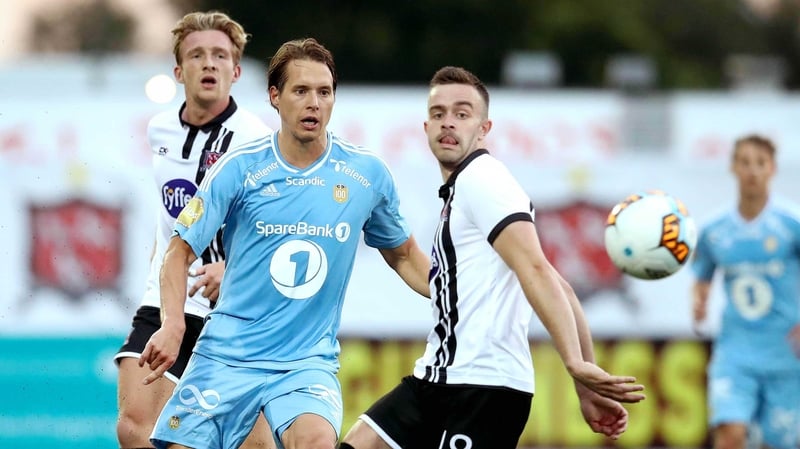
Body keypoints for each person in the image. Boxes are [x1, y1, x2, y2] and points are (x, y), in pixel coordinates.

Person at [139, 37, 432, 449]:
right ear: (275, 97)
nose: (314, 102)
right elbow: (178, 251)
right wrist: (173, 324)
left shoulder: (365, 175)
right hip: (226, 356)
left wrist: (450, 294)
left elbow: (402, 254)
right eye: (301, 90)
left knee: (315, 442)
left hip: (305, 363)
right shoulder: (239, 168)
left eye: (324, 92)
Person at [338, 66, 646, 449]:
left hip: (484, 388)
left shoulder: (485, 179)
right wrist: (585, 383)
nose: (448, 122)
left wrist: (575, 364)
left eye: (462, 113)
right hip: (437, 379)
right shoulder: (460, 190)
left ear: (483, 129)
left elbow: (536, 269)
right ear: (426, 126)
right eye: (439, 114)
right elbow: (559, 284)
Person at [113, 11, 274, 449]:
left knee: (250, 442)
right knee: (135, 425)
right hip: (167, 295)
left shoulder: (256, 141)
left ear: (236, 71)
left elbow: (276, 227)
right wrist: (158, 270)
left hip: (234, 301)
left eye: (220, 55)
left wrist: (234, 268)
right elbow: (168, 217)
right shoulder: (159, 129)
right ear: (178, 71)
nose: (209, 64)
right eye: (197, 55)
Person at [691, 134, 800, 449]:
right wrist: (699, 301)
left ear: (772, 169)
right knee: (730, 434)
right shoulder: (714, 230)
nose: (752, 170)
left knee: (783, 442)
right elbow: (702, 276)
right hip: (735, 352)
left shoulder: (791, 224)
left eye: (760, 163)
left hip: (785, 354)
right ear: (733, 168)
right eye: (745, 162)